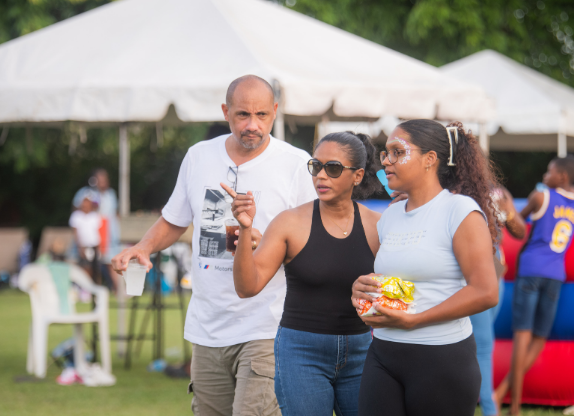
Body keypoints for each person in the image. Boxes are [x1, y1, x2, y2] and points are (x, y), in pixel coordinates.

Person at [112, 75, 317, 416]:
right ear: (225, 111)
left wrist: (265, 242)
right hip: (207, 327)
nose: (252, 125)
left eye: (262, 115)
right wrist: (144, 247)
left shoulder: (295, 164)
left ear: (275, 111)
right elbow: (175, 219)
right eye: (243, 115)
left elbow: (313, 240)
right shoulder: (199, 156)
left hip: (267, 326)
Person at [222, 131, 383, 416]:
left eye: (333, 168)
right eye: (316, 166)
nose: (321, 176)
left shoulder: (378, 226)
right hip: (301, 352)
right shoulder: (290, 222)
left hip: (361, 350)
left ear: (357, 176)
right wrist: (245, 229)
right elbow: (247, 287)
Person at [351, 120, 500, 416]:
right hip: (383, 354)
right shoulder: (391, 215)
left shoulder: (459, 211)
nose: (386, 161)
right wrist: (362, 288)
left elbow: (486, 292)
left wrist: (415, 320)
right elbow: (400, 281)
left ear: (430, 159)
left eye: (397, 152)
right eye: (385, 153)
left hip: (441, 357)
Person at [494, 155, 574, 416]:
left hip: (531, 270)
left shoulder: (541, 196)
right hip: (556, 274)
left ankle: (512, 405)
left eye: (549, 171)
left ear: (562, 176)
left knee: (522, 337)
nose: (545, 176)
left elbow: (516, 223)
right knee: (539, 338)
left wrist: (505, 203)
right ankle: (503, 396)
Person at [470, 186, 526, 416]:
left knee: (481, 345)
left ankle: (489, 408)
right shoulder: (453, 192)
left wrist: (506, 210)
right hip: (474, 277)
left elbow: (520, 231)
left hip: (492, 276)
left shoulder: (496, 193)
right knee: (482, 346)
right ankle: (490, 409)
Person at [70, 191, 102, 278]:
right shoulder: (76, 216)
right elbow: (75, 233)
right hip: (83, 247)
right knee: (85, 268)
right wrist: (80, 247)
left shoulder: (95, 216)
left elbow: (99, 232)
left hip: (94, 246)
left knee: (96, 269)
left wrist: (100, 247)